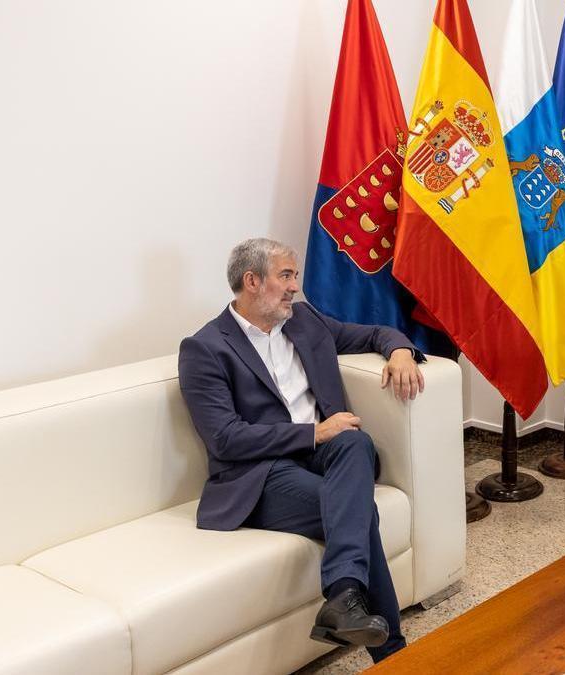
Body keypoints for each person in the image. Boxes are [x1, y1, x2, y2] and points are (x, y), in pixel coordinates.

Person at [178, 238, 424, 663]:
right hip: (260, 474)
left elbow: (374, 332)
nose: (295, 286)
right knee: (359, 510)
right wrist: (313, 433)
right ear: (252, 281)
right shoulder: (205, 348)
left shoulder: (304, 320)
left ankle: (345, 601)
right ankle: (393, 655)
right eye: (286, 276)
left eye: (295, 276)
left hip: (323, 455)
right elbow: (226, 438)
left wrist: (401, 352)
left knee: (356, 440)